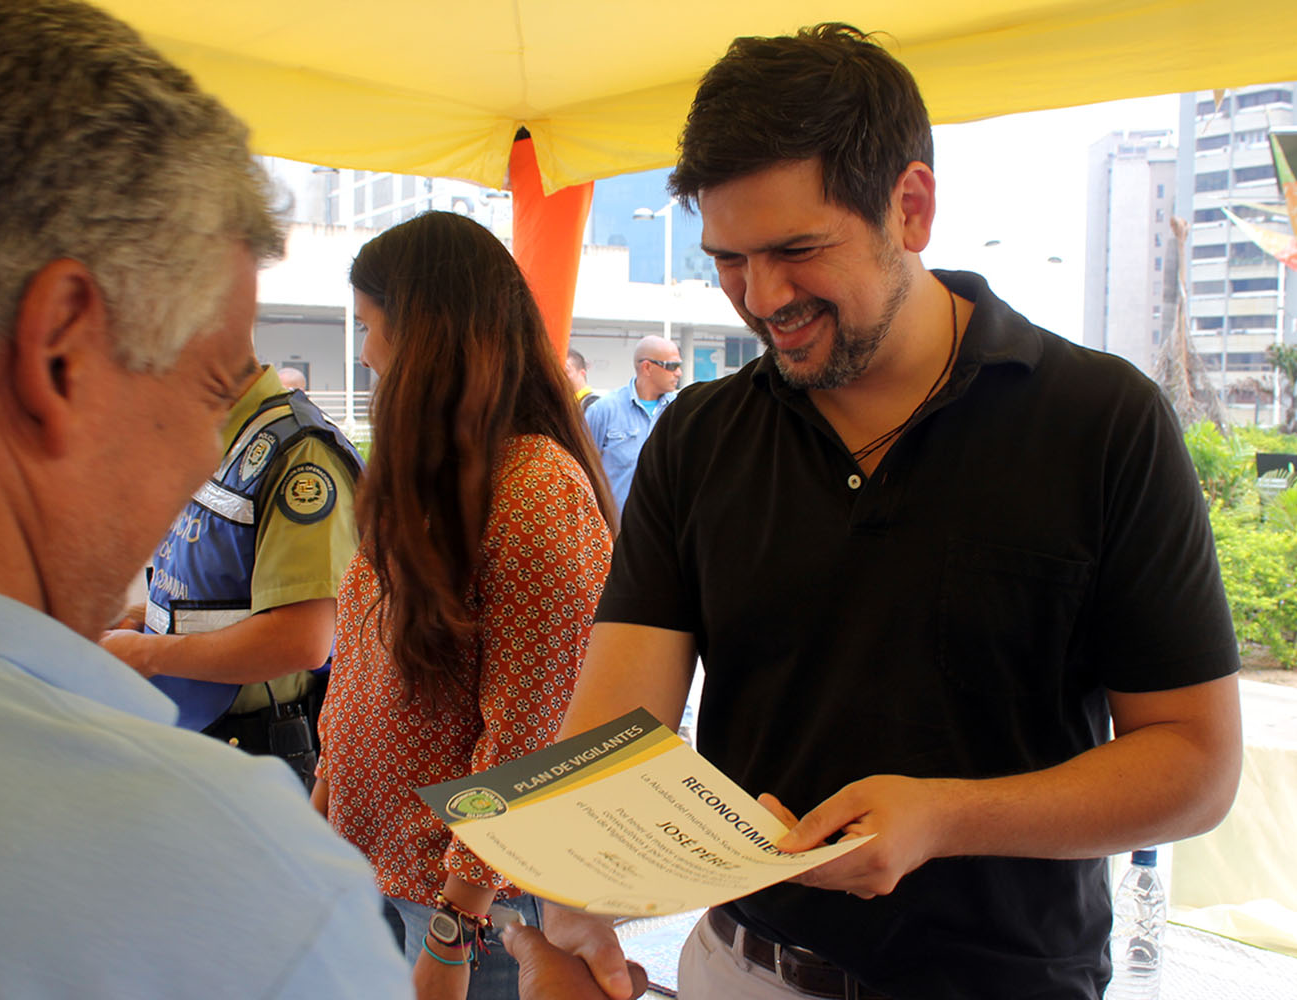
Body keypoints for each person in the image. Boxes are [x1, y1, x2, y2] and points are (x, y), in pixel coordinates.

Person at [552, 24, 1244, 1000]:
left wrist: (943, 817)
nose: (761, 298)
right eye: (730, 259)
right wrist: (562, 888)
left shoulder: (1099, 421)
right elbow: (614, 737)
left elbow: (1197, 763)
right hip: (743, 970)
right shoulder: (700, 437)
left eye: (796, 249)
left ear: (910, 206)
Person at [0, 1, 411, 995]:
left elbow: (307, 635)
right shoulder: (238, 887)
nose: (202, 449)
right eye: (209, 387)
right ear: (62, 355)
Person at [316, 211, 618, 1000]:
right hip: (384, 871)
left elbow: (530, 730)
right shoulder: (429, 475)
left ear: (431, 335)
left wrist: (456, 926)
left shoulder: (533, 491)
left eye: (372, 326)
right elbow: (357, 665)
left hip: (471, 907)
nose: (365, 352)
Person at [98, 357, 361, 789]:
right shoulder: (224, 436)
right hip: (196, 730)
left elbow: (303, 640)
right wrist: (150, 617)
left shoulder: (298, 453)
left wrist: (146, 654)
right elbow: (229, 590)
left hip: (255, 747)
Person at [584, 334, 681, 517]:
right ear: (647, 367)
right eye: (672, 366)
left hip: (664, 535)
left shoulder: (680, 411)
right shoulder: (603, 411)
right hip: (616, 533)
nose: (678, 373)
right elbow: (582, 468)